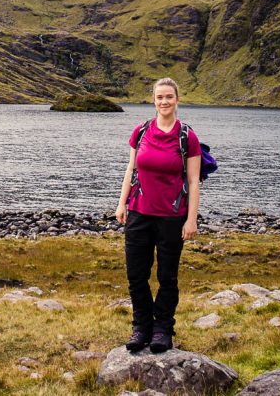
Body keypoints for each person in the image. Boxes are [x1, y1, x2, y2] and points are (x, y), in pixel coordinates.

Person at [115, 76, 201, 353]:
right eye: (159, 97)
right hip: (139, 213)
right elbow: (131, 170)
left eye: (169, 97)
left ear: (177, 100)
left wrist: (191, 219)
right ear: (153, 100)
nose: (164, 101)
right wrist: (121, 204)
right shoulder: (140, 132)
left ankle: (163, 329)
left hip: (171, 217)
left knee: (167, 277)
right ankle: (141, 327)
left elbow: (194, 181)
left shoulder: (188, 137)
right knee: (136, 275)